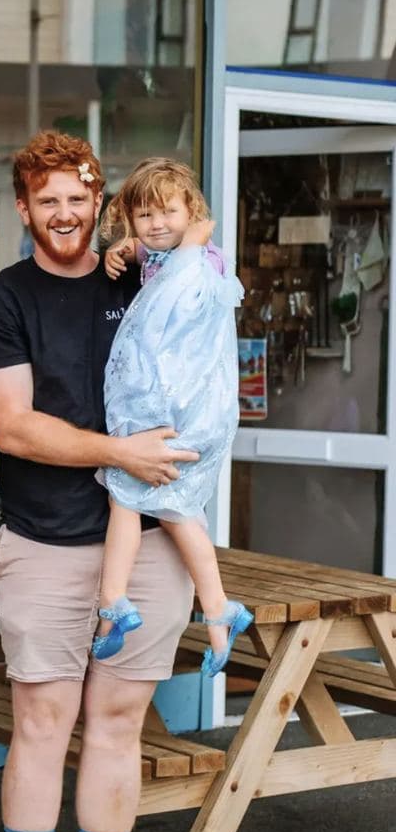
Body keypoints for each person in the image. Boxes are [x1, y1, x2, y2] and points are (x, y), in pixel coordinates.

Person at [0, 131, 199, 832]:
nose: (65, 213)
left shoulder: (142, 282)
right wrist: (119, 451)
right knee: (41, 724)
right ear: (25, 208)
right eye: (48, 200)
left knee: (119, 724)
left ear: (100, 202)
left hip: (153, 545)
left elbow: (200, 243)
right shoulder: (1, 302)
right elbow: (15, 428)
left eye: (78, 197)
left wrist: (163, 245)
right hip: (45, 542)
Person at [97, 158, 249, 677]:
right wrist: (126, 248)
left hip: (178, 415)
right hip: (181, 416)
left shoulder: (200, 262)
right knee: (179, 512)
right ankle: (217, 612)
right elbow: (151, 254)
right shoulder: (167, 256)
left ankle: (113, 601)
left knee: (128, 496)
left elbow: (174, 329)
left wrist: (184, 247)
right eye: (143, 216)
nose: (156, 224)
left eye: (167, 212)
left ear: (193, 213)